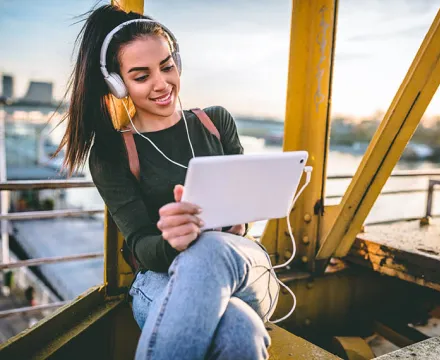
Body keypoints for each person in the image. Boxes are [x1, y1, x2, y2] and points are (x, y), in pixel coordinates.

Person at [55, 4, 278, 360]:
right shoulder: (112, 153)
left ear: (178, 63)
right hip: (161, 278)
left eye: (167, 67)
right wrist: (173, 242)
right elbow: (141, 244)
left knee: (210, 249)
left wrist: (240, 221)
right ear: (118, 83)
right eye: (141, 76)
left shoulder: (216, 122)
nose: (162, 84)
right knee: (240, 328)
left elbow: (245, 215)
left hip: (242, 269)